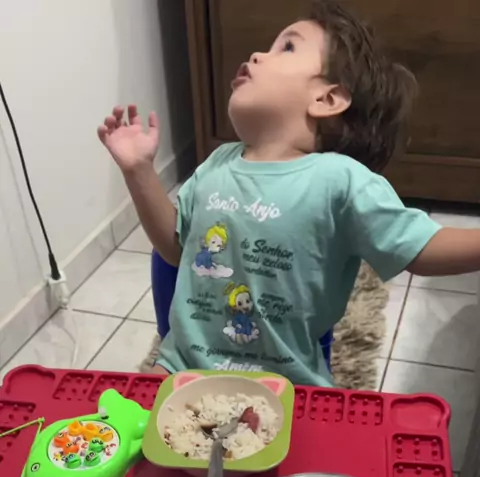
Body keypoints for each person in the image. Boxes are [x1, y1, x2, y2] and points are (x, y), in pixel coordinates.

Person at [98, 0, 480, 385]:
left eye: (288, 47)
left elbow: (420, 248)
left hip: (285, 382)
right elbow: (177, 251)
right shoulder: (217, 164)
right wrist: (139, 170)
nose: (257, 55)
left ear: (326, 99)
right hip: (181, 367)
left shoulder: (340, 181)